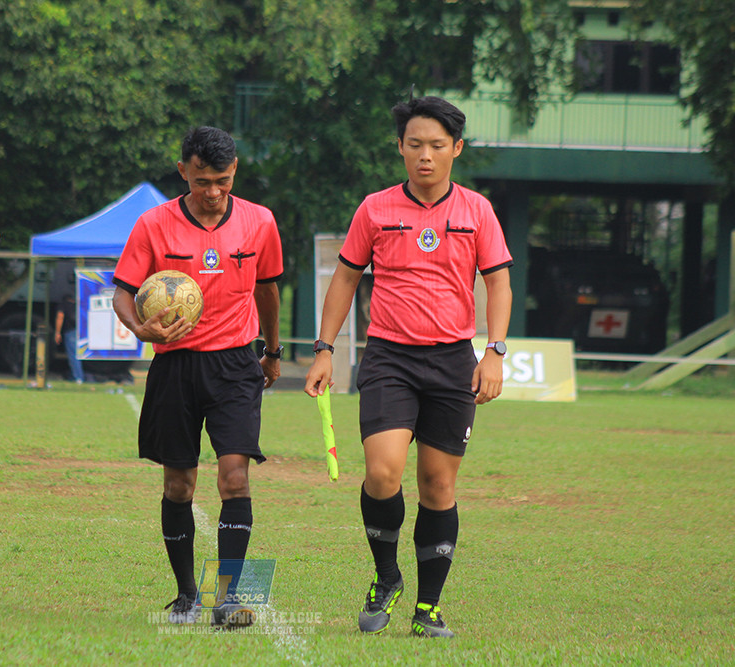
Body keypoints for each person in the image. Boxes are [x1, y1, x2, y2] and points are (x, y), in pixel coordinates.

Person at [304, 96, 512, 638]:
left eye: (437, 146)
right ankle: (385, 576)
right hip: (389, 357)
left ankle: (429, 608)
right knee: (382, 472)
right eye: (415, 144)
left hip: (451, 361)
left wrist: (495, 351)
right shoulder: (374, 209)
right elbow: (346, 278)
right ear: (399, 147)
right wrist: (324, 347)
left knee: (438, 485)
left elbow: (498, 283)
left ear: (456, 150)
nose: (425, 156)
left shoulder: (477, 211)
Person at [112, 126, 283, 629]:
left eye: (223, 181)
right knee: (179, 485)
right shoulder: (153, 224)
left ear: (235, 173)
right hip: (175, 366)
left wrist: (271, 353)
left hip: (235, 364)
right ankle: (187, 594)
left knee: (235, 476)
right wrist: (138, 324)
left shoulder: (260, 222)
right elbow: (123, 290)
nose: (213, 191)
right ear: (183, 170)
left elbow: (268, 291)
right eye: (203, 180)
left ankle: (228, 598)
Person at [54, 288, 85, 382]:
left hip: (70, 332)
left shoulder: (63, 304)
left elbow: (60, 317)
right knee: (79, 354)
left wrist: (57, 332)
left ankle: (78, 377)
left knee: (73, 355)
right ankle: (78, 376)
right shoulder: (77, 305)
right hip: (80, 331)